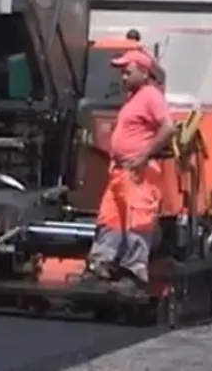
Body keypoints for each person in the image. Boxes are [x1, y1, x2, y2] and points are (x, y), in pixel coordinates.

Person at [84, 48, 175, 286]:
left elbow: (168, 127)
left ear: (144, 73)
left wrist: (144, 155)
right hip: (121, 171)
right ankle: (101, 263)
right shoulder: (133, 98)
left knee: (138, 220)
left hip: (138, 172)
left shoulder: (151, 96)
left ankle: (134, 270)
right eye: (122, 73)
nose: (122, 77)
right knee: (110, 218)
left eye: (127, 72)